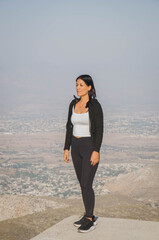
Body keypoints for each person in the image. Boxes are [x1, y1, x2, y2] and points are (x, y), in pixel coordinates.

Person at [63, 74, 104, 233]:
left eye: (81, 85)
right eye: (76, 85)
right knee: (82, 184)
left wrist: (96, 151)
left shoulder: (95, 105)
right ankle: (87, 214)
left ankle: (90, 218)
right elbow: (69, 127)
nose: (78, 87)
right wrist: (66, 148)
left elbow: (99, 130)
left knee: (87, 183)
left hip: (89, 147)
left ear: (89, 87)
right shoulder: (73, 104)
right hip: (76, 147)